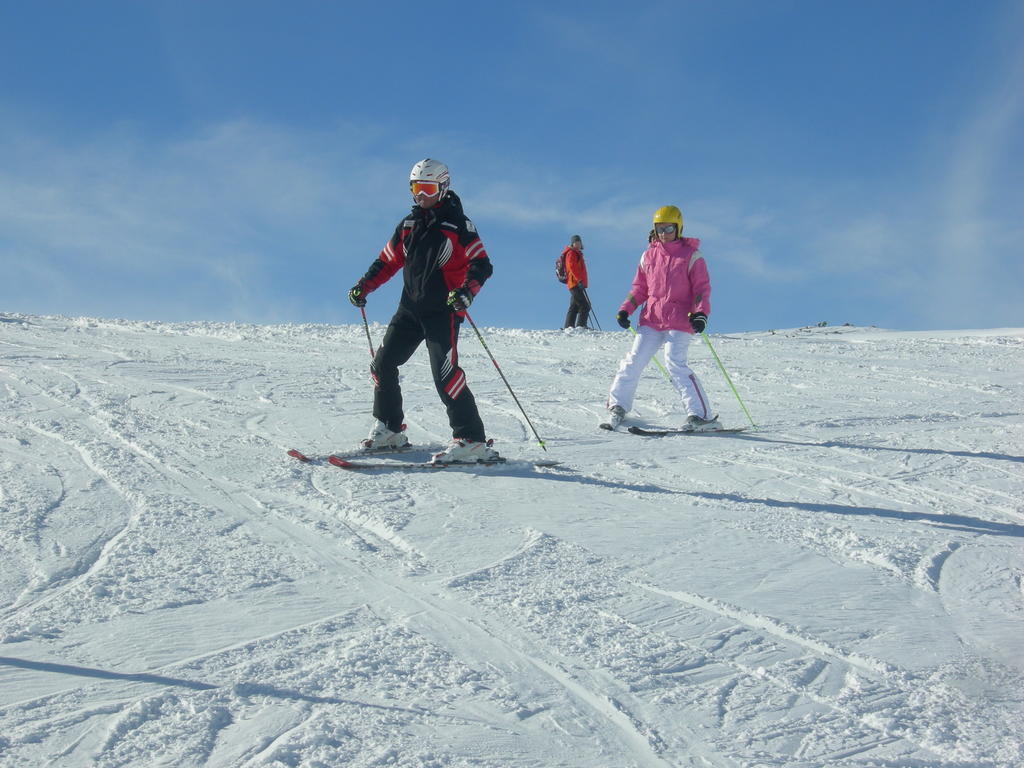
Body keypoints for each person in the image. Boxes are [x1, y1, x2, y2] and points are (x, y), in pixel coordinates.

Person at [348, 159, 500, 463]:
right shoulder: (408, 225)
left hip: (443, 311)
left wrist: (466, 293)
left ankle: (471, 440)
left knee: (445, 375)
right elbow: (388, 261)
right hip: (409, 309)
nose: (420, 195)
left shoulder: (458, 225)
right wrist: (364, 286)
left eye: (427, 188)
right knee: (382, 365)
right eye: (415, 188)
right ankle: (390, 429)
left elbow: (481, 264)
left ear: (442, 188)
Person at [603, 205, 719, 432]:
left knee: (675, 364)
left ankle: (700, 415)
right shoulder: (648, 255)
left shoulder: (692, 256)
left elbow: (701, 290)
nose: (664, 233)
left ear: (679, 228)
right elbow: (639, 288)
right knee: (633, 360)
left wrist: (701, 314)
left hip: (680, 319)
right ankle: (618, 405)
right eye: (659, 229)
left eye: (668, 228)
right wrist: (626, 309)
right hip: (652, 318)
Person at [562, 235, 591, 329]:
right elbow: (572, 267)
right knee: (585, 305)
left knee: (574, 306)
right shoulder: (572, 253)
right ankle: (581, 326)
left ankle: (568, 327)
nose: (578, 244)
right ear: (572, 243)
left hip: (575, 283)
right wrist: (579, 280)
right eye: (576, 242)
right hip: (575, 283)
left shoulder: (577, 253)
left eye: (579, 242)